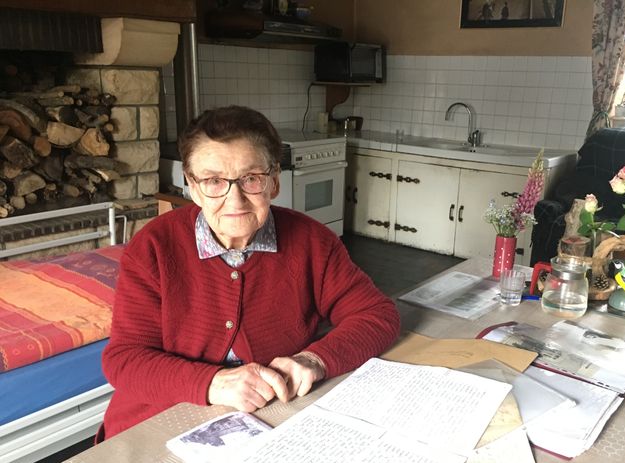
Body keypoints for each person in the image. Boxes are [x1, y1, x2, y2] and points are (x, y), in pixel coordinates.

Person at [99, 106, 401, 441]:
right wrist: (213, 383)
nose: (235, 199)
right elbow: (124, 360)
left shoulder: (314, 242)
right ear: (192, 186)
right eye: (214, 181)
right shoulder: (153, 247)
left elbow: (376, 315)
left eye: (251, 179)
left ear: (274, 182)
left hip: (273, 419)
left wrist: (316, 358)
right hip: (157, 421)